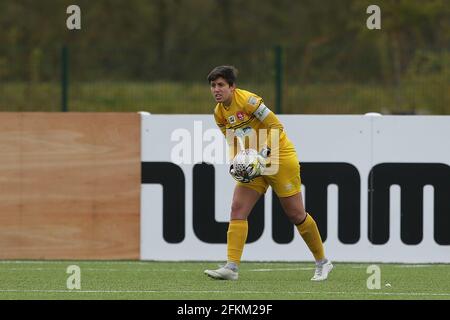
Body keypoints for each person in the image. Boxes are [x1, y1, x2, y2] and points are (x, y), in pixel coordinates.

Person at [203, 65, 333, 281]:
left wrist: (263, 153)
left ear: (232, 87)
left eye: (221, 85)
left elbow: (276, 126)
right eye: (213, 86)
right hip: (255, 163)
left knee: (296, 214)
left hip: (279, 158)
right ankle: (231, 267)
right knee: (237, 208)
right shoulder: (219, 114)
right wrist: (237, 161)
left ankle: (323, 262)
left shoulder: (248, 101)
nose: (216, 89)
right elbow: (232, 141)